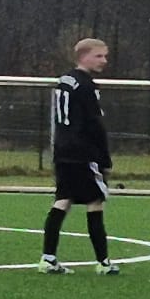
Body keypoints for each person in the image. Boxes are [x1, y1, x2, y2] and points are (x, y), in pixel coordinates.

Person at [41, 38, 120, 275]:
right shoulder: (86, 85)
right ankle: (103, 262)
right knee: (95, 202)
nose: (104, 61)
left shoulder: (65, 80)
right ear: (83, 56)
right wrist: (105, 159)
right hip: (84, 152)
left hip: (63, 149)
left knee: (63, 200)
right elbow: (95, 124)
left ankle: (48, 258)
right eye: (99, 56)